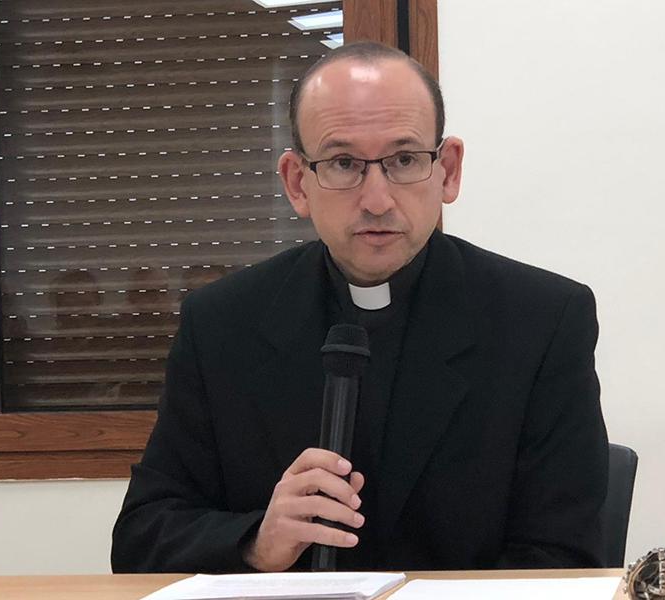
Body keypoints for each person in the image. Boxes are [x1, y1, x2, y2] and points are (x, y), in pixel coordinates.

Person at [111, 41, 608, 574]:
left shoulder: (543, 320)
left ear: (448, 170)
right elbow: (142, 537)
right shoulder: (221, 324)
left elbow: (564, 558)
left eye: (404, 160)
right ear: (297, 182)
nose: (377, 200)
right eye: (344, 163)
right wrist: (255, 540)